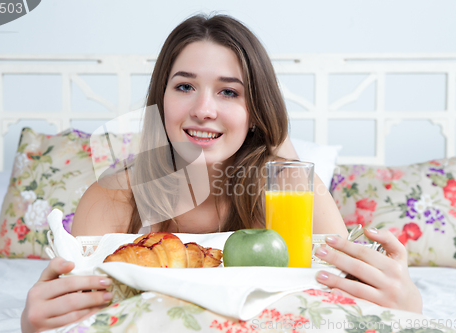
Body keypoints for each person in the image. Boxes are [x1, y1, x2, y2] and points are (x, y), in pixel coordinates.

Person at [21, 14, 422, 333]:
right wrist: (34, 326)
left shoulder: (294, 196)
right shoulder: (112, 199)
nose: (203, 109)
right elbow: (85, 321)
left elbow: (340, 307)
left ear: (255, 111)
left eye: (229, 92)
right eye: (184, 87)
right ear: (161, 100)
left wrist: (409, 306)